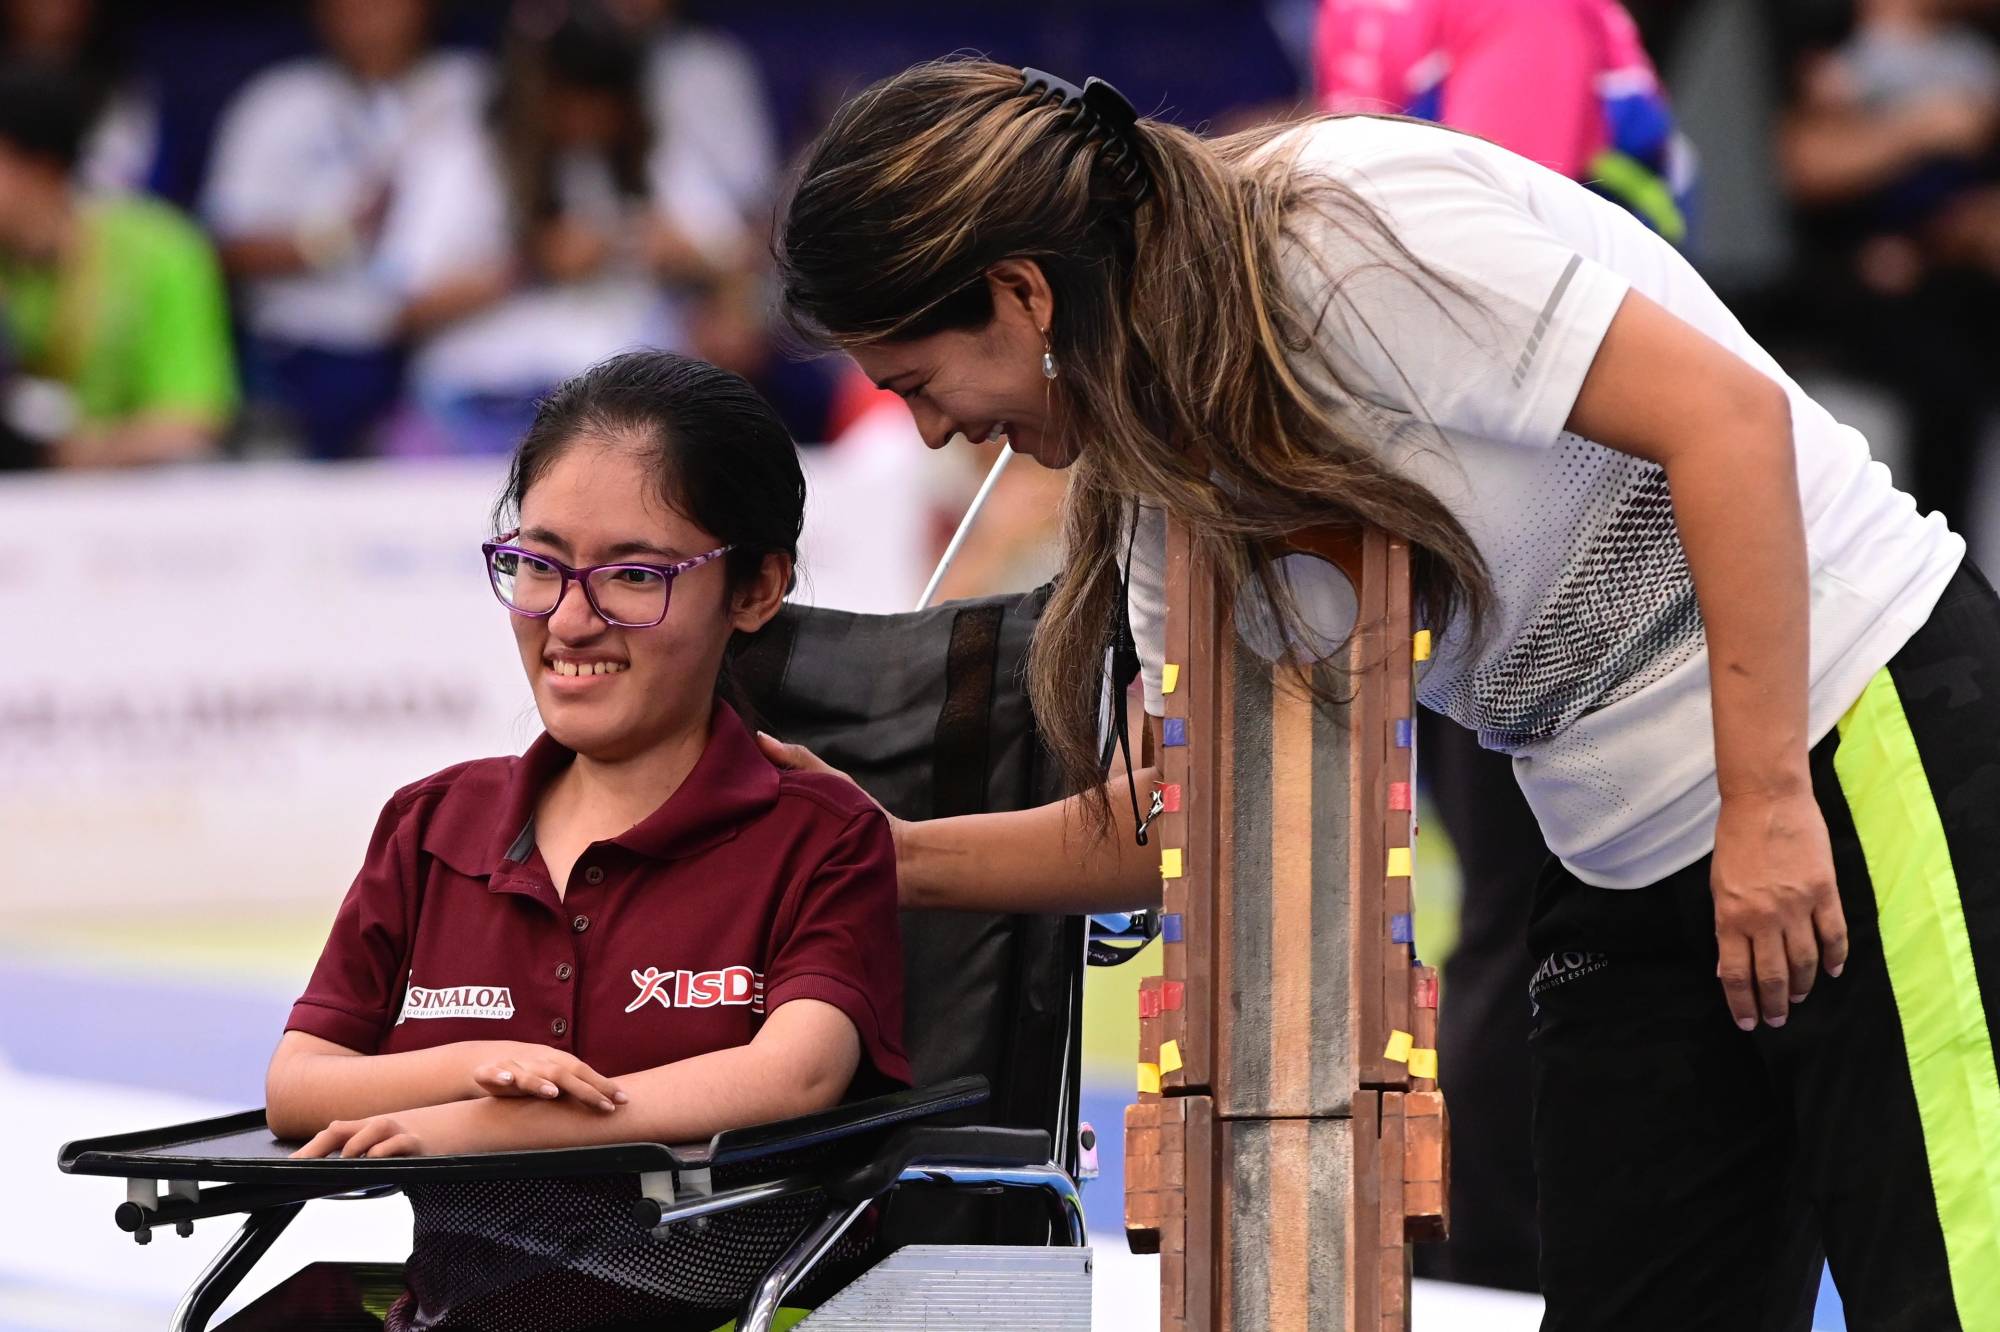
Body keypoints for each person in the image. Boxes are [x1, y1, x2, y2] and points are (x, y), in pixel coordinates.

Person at [767, 59, 1993, 1329]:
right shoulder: (1152, 476)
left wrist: (1766, 801)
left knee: (1953, 1291)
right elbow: (1179, 816)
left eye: (915, 383)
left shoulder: (1337, 234)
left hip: (1848, 734)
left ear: (1021, 294)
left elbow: (1728, 423)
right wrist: (878, 854)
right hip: (1618, 843)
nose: (925, 434)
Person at [268, 350, 908, 1330]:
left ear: (754, 587)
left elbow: (797, 1072)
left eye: (633, 575)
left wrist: (495, 1127)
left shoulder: (821, 837)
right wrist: (482, 1065)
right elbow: (298, 1086)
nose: (569, 619)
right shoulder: (431, 825)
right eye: (538, 564)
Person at [1313, 0, 1691, 1293]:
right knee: (1547, 922)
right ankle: (1500, 1258)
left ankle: (1489, 1251)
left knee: (1512, 918)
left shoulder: (1377, 15)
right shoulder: (1513, 11)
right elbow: (1486, 292)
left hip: (1478, 529)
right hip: (1554, 544)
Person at [379, 2, 746, 456]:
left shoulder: (648, 155)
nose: (585, 119)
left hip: (628, 408)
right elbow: (402, 307)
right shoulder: (463, 157)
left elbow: (734, 261)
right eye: (569, 100)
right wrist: (533, 265)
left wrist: (682, 254)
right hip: (484, 401)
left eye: (600, 101)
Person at [202, 0, 489, 459]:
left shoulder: (471, 88)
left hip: (442, 340)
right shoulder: (281, 101)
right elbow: (228, 243)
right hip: (311, 355)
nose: (368, 15)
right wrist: (336, 238)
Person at [0, 62, 234, 468]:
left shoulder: (161, 249)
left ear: (41, 167)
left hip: (132, 493)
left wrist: (64, 457)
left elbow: (193, 418)